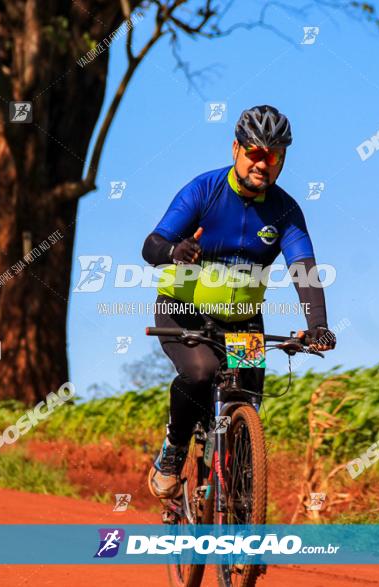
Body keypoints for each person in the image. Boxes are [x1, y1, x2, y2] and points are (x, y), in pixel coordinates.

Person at [141, 104, 336, 498]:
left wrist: (317, 325)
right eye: (256, 153)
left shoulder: (285, 211)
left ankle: (240, 512)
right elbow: (151, 245)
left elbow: (305, 269)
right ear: (236, 149)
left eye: (274, 156)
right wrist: (174, 251)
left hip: (243, 323)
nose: (263, 164)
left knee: (245, 408)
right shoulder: (204, 190)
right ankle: (172, 453)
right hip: (184, 313)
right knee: (200, 373)